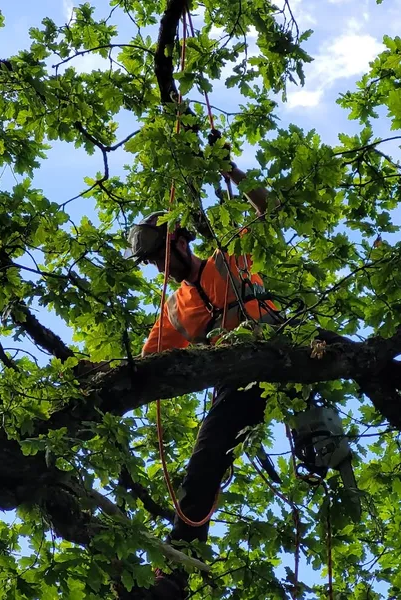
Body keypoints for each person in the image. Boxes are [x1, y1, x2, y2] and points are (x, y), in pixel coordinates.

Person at [127, 158, 280, 600]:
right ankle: (175, 577)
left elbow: (268, 213)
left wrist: (236, 175)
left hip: (277, 348)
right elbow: (143, 362)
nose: (160, 269)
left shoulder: (227, 255)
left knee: (355, 353)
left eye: (159, 256)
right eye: (152, 262)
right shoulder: (175, 307)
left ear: (179, 244)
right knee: (205, 461)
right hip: (236, 382)